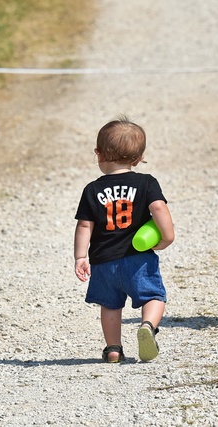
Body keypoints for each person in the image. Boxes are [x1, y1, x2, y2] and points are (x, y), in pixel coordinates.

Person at [74, 118, 175, 362]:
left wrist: (80, 256)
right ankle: (148, 326)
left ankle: (113, 349)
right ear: (139, 158)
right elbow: (159, 208)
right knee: (153, 296)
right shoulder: (146, 182)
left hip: (103, 261)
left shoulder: (91, 189)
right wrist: (167, 237)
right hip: (137, 258)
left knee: (110, 305)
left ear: (98, 154)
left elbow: (84, 224)